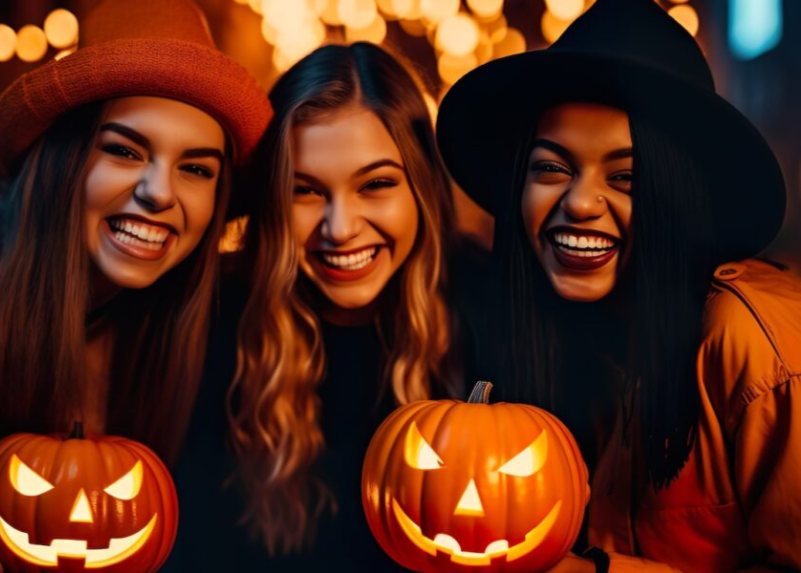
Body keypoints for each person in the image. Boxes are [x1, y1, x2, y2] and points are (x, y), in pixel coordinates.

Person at [436, 0, 800, 571]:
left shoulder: (755, 347)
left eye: (628, 177)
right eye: (551, 168)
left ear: (678, 198)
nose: (579, 203)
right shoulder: (551, 337)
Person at [0, 0, 271, 570]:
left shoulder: (168, 318)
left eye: (195, 168)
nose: (159, 193)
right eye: (123, 150)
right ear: (61, 160)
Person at [165, 42, 476, 572]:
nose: (340, 227)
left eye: (376, 185)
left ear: (422, 186)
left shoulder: (486, 303)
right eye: (304, 190)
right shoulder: (213, 316)